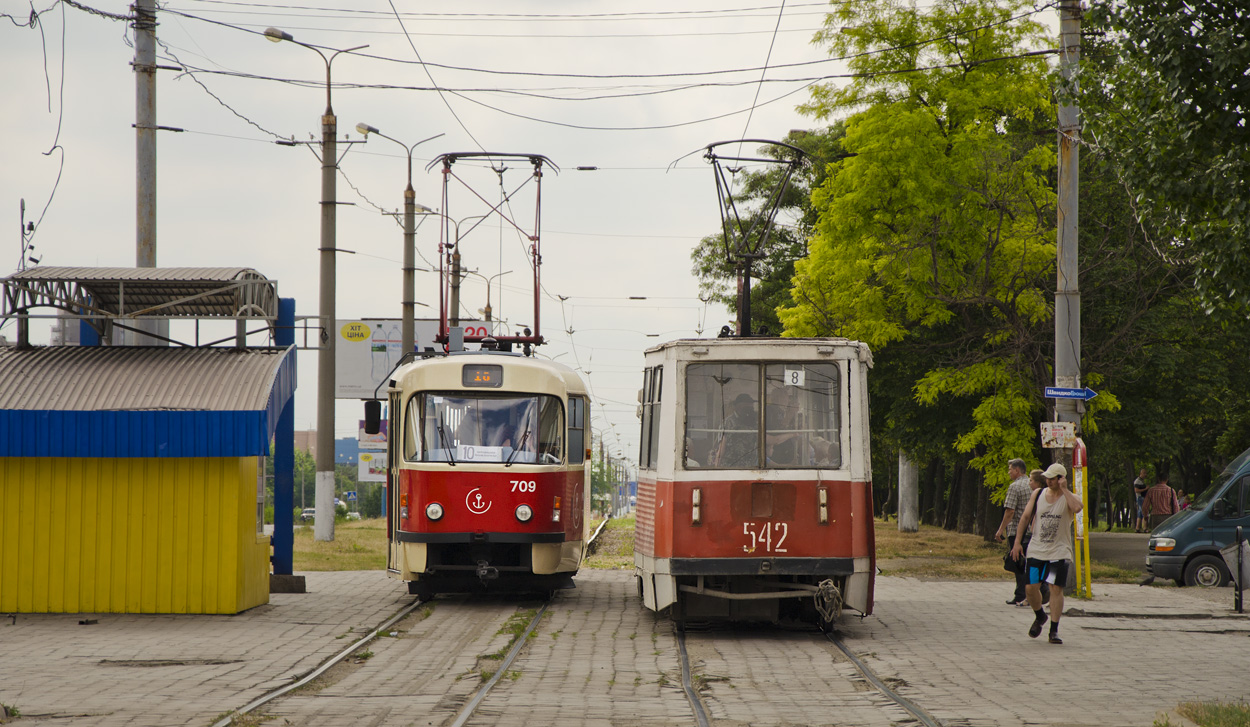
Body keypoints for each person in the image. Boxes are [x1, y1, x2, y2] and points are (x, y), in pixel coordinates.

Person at [1011, 462, 1082, 645]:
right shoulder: (1038, 494)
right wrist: (1018, 542)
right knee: (1030, 588)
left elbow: (1077, 508)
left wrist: (1065, 490)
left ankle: (1054, 630)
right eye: (1047, 478)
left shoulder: (1069, 497)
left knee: (1054, 588)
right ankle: (1040, 616)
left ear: (1061, 479)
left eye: (1053, 478)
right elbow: (1025, 517)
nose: (1049, 481)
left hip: (1058, 552)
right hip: (1037, 550)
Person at [994, 459, 1032, 606]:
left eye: (1010, 469)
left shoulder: (1014, 487)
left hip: (1017, 530)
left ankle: (1020, 595)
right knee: (1028, 563)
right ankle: (1030, 593)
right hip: (1031, 530)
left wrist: (1000, 530)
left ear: (1017, 470)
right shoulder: (1033, 484)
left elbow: (1010, 511)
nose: (1009, 472)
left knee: (1018, 564)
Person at [713, 392, 758, 467]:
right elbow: (721, 448)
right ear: (738, 407)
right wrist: (717, 467)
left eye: (751, 408)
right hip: (731, 466)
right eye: (746, 408)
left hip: (750, 465)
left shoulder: (754, 422)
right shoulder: (728, 422)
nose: (749, 411)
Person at [1133, 468, 1149, 532]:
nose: (1145, 475)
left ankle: (1138, 527)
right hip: (1140, 498)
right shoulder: (1137, 481)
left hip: (1143, 498)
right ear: (1140, 473)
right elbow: (1136, 490)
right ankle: (1144, 527)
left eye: (1146, 473)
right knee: (1143, 511)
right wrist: (1145, 489)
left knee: (1140, 512)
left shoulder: (1142, 481)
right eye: (1144, 473)